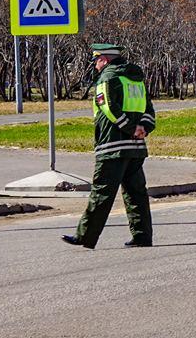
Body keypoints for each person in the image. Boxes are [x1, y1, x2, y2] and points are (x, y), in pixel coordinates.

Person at [63, 44, 157, 249]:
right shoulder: (136, 78)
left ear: (104, 60)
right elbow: (149, 108)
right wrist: (144, 128)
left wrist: (130, 128)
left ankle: (84, 236)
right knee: (136, 193)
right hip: (136, 147)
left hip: (112, 145)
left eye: (96, 61)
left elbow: (107, 107)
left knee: (102, 192)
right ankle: (142, 237)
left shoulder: (107, 78)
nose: (95, 65)